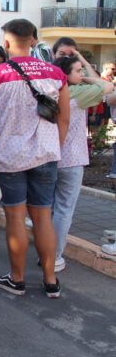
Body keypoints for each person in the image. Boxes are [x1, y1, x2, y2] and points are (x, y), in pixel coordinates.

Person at [0, 19, 70, 299]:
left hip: (8, 157)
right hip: (45, 155)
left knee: (15, 218)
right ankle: (50, 280)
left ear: (7, 43)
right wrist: (52, 148)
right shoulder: (56, 74)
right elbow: (64, 118)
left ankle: (17, 279)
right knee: (43, 217)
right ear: (33, 40)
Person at [51, 53, 113, 272]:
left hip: (48, 158)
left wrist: (77, 72)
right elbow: (106, 86)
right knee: (64, 210)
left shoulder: (49, 90)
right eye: (78, 70)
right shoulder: (79, 92)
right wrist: (86, 74)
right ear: (67, 74)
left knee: (48, 209)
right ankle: (54, 257)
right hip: (72, 159)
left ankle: (45, 252)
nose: (82, 74)